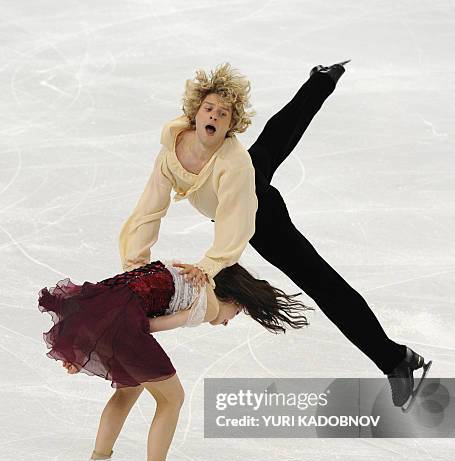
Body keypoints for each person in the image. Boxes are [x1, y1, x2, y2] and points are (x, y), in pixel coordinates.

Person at [118, 61, 430, 415]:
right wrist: (134, 263)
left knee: (320, 281)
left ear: (231, 124)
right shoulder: (173, 149)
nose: (215, 116)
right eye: (209, 109)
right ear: (195, 112)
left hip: (260, 213)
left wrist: (208, 266)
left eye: (223, 114)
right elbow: (148, 210)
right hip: (242, 185)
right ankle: (322, 80)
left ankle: (395, 359)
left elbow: (235, 223)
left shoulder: (233, 162)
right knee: (274, 140)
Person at [38, 258, 312, 461]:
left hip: (93, 312)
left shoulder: (179, 268)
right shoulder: (209, 301)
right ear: (232, 297)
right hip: (123, 323)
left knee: (129, 388)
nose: (228, 320)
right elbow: (150, 325)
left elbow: (113, 298)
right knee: (172, 398)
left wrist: (82, 346)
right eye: (237, 312)